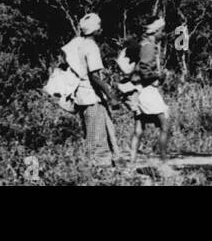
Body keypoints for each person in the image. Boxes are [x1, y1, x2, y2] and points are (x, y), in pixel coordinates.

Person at [61, 13, 121, 167]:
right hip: (91, 96)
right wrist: (110, 94)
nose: (101, 30)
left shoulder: (79, 44)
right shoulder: (91, 47)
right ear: (95, 31)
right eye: (99, 27)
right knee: (97, 135)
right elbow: (94, 75)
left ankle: (95, 164)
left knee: (91, 132)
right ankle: (100, 167)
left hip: (82, 95)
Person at [118, 15, 172, 161]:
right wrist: (159, 77)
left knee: (139, 128)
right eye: (161, 30)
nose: (163, 33)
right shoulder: (149, 47)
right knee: (165, 125)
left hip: (136, 90)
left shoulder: (142, 44)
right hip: (146, 90)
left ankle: (132, 161)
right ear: (156, 31)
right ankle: (163, 161)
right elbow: (145, 71)